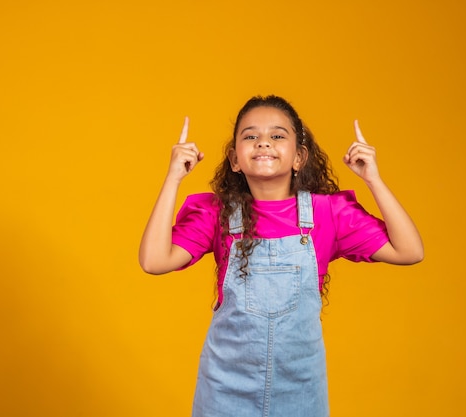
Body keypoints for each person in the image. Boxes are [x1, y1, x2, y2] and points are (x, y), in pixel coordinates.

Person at [139, 95, 423, 417]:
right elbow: (153, 261)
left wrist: (373, 179)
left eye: (277, 135)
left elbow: (409, 251)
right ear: (234, 159)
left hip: (300, 389)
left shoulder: (328, 213)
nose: (263, 143)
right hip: (225, 389)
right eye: (250, 136)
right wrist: (173, 178)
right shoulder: (217, 213)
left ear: (299, 157)